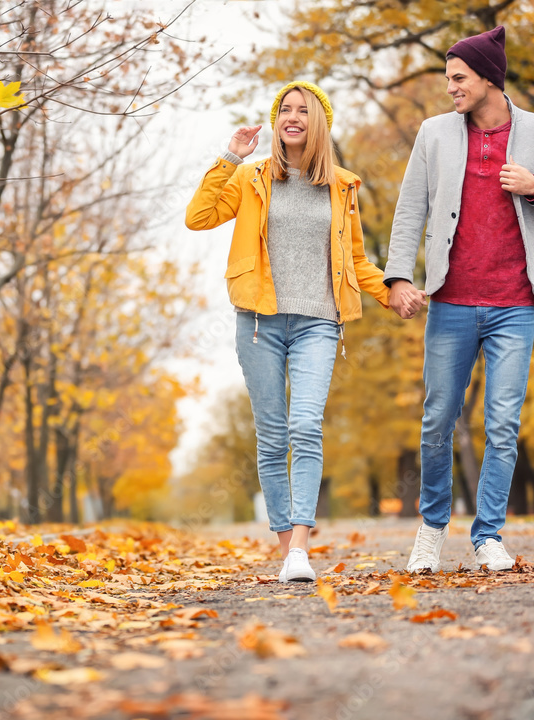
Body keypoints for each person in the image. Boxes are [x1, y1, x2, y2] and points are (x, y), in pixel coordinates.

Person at [383, 26, 534, 572]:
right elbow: (410, 212)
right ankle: (431, 527)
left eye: (458, 78)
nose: (450, 87)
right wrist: (397, 277)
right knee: (437, 420)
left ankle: (488, 534)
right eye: (448, 78)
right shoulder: (433, 134)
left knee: (503, 422)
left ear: (488, 79)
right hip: (451, 301)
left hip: (515, 303)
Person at [185, 81, 392, 582]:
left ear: (319, 122)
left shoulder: (342, 186)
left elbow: (355, 261)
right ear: (275, 121)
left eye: (303, 111)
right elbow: (199, 218)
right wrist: (229, 158)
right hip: (259, 322)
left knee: (305, 425)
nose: (292, 117)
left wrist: (393, 291)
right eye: (285, 110)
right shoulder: (253, 178)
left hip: (318, 322)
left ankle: (301, 543)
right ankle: (288, 553)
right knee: (273, 436)